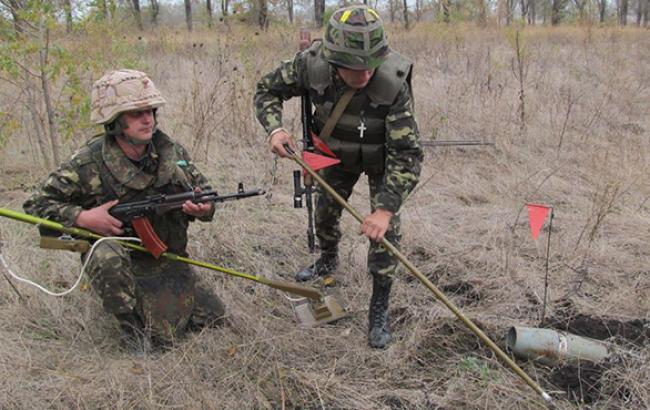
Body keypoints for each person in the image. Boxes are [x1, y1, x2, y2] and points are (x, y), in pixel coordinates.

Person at [254, 6, 423, 348]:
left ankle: (379, 306)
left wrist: (385, 211)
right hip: (333, 154)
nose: (362, 74)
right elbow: (266, 90)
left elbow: (407, 154)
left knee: (386, 235)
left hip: (383, 159)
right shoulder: (310, 65)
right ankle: (328, 258)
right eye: (352, 67)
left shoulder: (394, 83)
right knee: (325, 213)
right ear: (333, 59)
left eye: (369, 65)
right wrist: (274, 129)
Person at [23, 69, 225, 349]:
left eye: (151, 111)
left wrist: (203, 209)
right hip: (123, 261)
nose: (147, 119)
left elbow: (205, 192)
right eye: (135, 113)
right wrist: (84, 218)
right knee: (108, 258)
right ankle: (132, 329)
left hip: (167, 257)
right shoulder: (87, 163)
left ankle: (159, 302)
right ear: (115, 121)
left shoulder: (170, 151)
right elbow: (35, 205)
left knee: (213, 318)